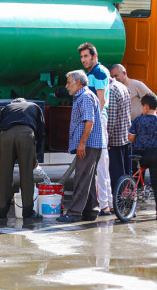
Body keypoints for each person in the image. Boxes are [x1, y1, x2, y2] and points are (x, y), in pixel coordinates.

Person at [58, 70, 105, 223]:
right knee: (89, 178)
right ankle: (91, 211)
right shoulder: (84, 96)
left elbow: (89, 121)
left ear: (78, 83)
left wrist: (82, 143)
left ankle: (74, 213)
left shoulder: (85, 97)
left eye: (69, 83)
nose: (67, 86)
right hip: (91, 144)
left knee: (81, 177)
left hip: (89, 145)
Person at [0, 98, 45, 220]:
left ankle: (2, 212)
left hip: (5, 135)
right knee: (26, 174)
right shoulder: (34, 106)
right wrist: (35, 155)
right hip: (26, 134)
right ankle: (27, 213)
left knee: (4, 175)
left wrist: (0, 144)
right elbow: (41, 131)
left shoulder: (7, 108)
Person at [78, 42, 113, 215]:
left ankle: (105, 204)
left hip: (98, 121)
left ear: (94, 56)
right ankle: (108, 203)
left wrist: (92, 123)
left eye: (86, 56)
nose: (83, 60)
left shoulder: (98, 72)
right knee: (102, 163)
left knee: (100, 164)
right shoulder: (93, 72)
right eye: (82, 57)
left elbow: (101, 101)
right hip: (98, 120)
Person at [128, 92, 157, 220]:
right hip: (154, 155)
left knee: (135, 180)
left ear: (145, 107)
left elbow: (131, 138)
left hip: (139, 155)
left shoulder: (138, 120)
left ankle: (132, 209)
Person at [107, 77, 132, 192]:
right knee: (126, 173)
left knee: (116, 175)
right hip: (125, 136)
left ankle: (118, 201)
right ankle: (127, 201)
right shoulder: (122, 87)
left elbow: (111, 118)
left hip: (114, 140)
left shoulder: (111, 90)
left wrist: (107, 137)